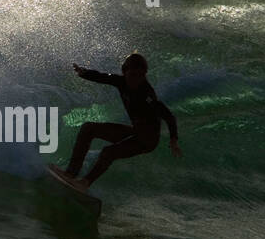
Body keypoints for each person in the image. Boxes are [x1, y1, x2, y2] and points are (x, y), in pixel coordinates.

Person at [55, 52, 182, 192]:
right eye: (132, 75)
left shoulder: (147, 94)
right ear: (125, 72)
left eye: (140, 76)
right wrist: (83, 73)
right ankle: (71, 173)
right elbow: (102, 77)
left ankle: (84, 183)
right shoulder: (121, 82)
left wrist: (173, 140)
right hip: (135, 132)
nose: (136, 80)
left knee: (108, 152)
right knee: (88, 128)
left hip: (147, 139)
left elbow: (168, 116)